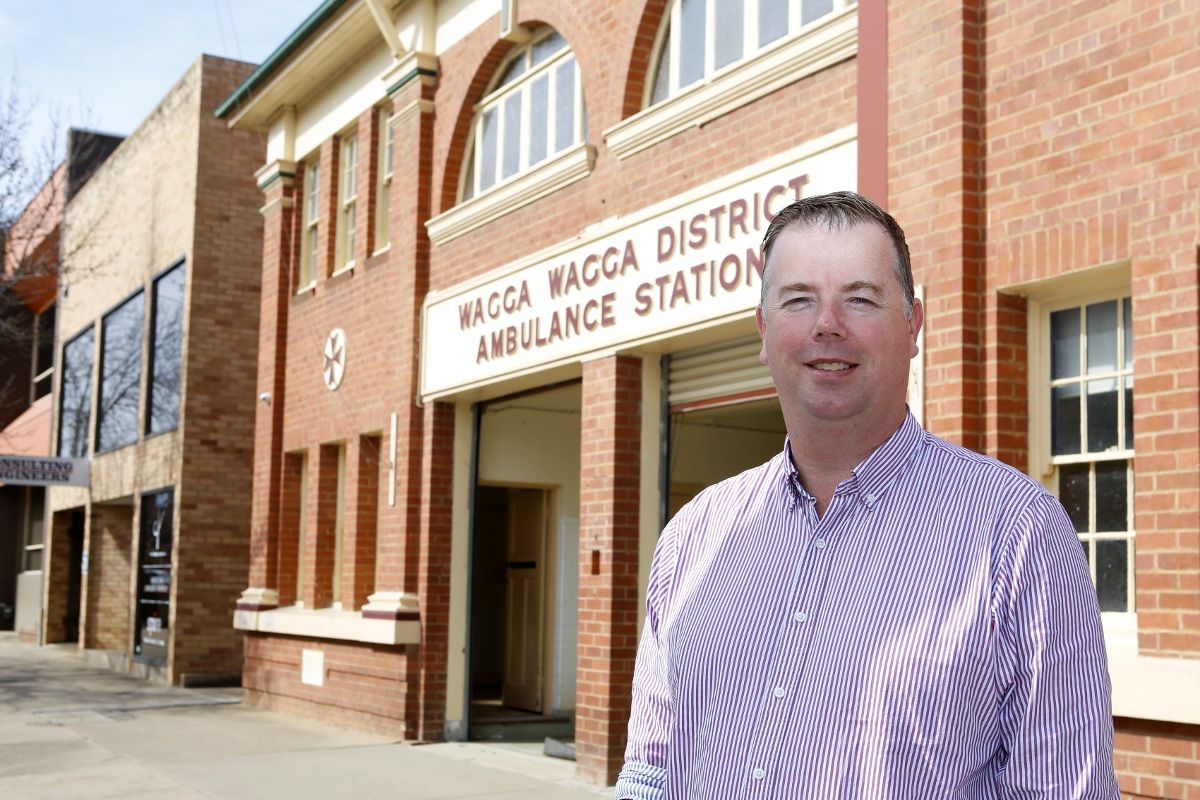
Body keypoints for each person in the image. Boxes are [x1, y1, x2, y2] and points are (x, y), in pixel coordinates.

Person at [614, 191, 1118, 799]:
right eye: (799, 299)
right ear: (764, 329)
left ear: (913, 325)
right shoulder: (692, 538)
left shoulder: (1018, 534)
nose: (828, 324)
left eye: (861, 298)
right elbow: (649, 774)